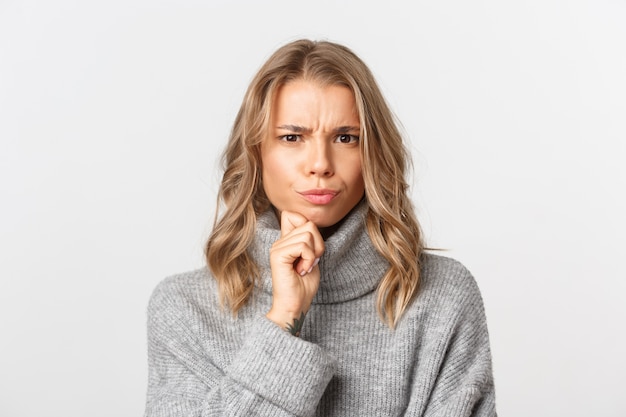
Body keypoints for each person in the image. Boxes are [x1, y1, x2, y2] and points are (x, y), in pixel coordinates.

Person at [144, 39, 497, 416]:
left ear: (373, 153)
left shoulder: (442, 295)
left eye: (346, 138)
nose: (320, 163)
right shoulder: (184, 308)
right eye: (292, 137)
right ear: (256, 152)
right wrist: (284, 318)